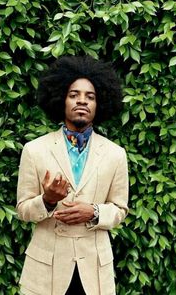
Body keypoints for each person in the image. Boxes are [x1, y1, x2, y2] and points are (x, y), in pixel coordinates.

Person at [16, 55, 129, 295]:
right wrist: (47, 200)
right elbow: (23, 210)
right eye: (73, 94)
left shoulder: (115, 154)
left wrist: (95, 212)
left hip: (94, 273)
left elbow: (120, 209)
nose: (82, 101)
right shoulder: (34, 150)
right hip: (46, 272)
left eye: (90, 96)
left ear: (100, 104)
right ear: (61, 100)